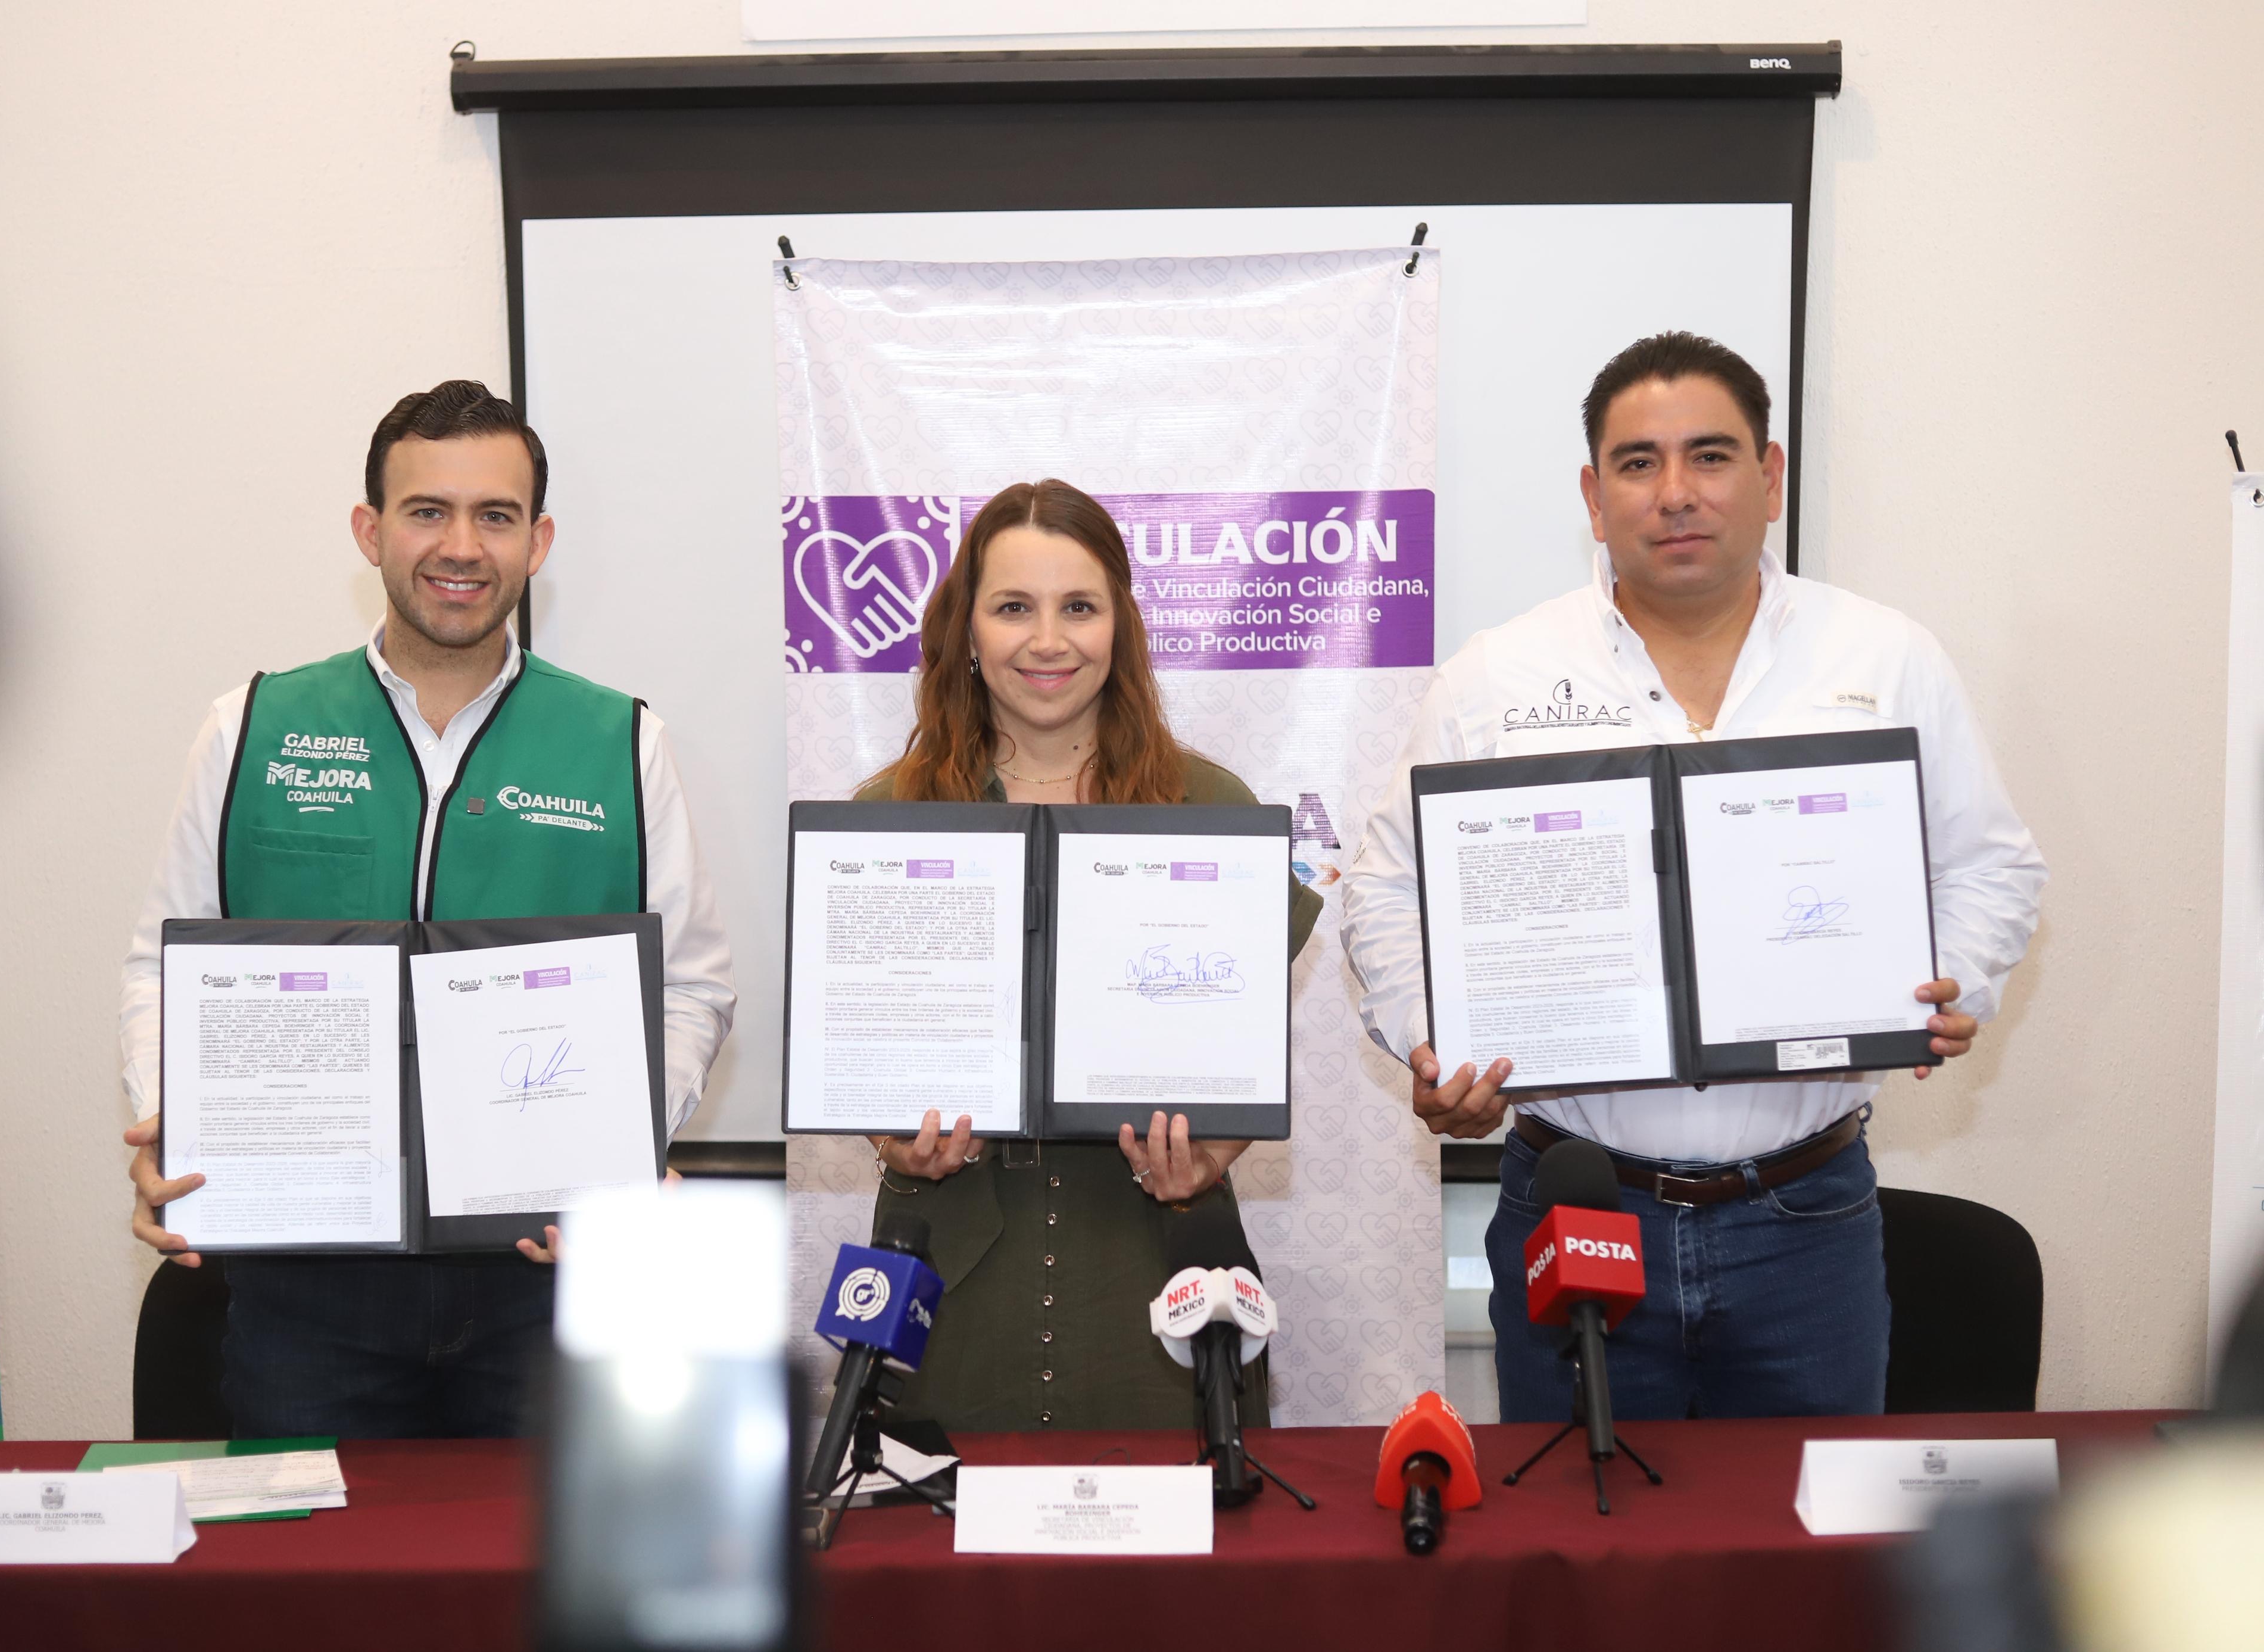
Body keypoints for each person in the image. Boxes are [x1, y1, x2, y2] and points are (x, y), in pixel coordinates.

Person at [1341, 333, 2047, 1420]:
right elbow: (1386, 891)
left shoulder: (1885, 658)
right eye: (1638, 463)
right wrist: (1437, 1042)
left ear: (1770, 477)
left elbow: (1991, 866)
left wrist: (1946, 981)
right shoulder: (1497, 677)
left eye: (1711, 456)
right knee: (1573, 1523)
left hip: (1805, 1219)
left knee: (1806, 1525)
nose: (1675, 492)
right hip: (1575, 1209)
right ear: (1594, 496)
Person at [117, 381, 735, 1438]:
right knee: (319, 1547)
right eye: (426, 511)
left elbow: (693, 984)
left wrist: (619, 1149)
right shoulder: (251, 726)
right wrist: (175, 1115)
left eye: (495, 515)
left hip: (545, 1281)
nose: (461, 546)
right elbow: (161, 964)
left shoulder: (623, 742)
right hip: (308, 1292)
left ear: (538, 541)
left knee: (537, 1548)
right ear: (370, 531)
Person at [857, 478, 1321, 1432]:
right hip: (950, 1266)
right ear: (966, 628)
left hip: (1154, 1257)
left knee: (1179, 1521)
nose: (1047, 640)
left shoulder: (1213, 809)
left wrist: (1218, 1147)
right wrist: (888, 1133)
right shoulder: (886, 817)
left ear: (1122, 626)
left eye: (1079, 607)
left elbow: (1240, 1044)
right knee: (937, 1522)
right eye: (1012, 607)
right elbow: (866, 1046)